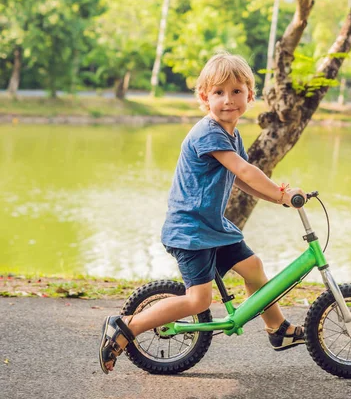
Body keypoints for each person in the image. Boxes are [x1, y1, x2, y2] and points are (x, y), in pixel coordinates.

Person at [98, 52, 306, 374]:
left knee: (253, 268)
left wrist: (278, 199)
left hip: (212, 228)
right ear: (204, 98)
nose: (228, 100)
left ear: (250, 95)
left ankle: (277, 328)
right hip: (191, 230)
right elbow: (245, 170)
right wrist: (282, 192)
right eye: (218, 93)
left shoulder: (232, 135)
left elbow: (242, 180)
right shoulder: (208, 132)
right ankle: (126, 326)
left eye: (236, 91)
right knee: (198, 301)